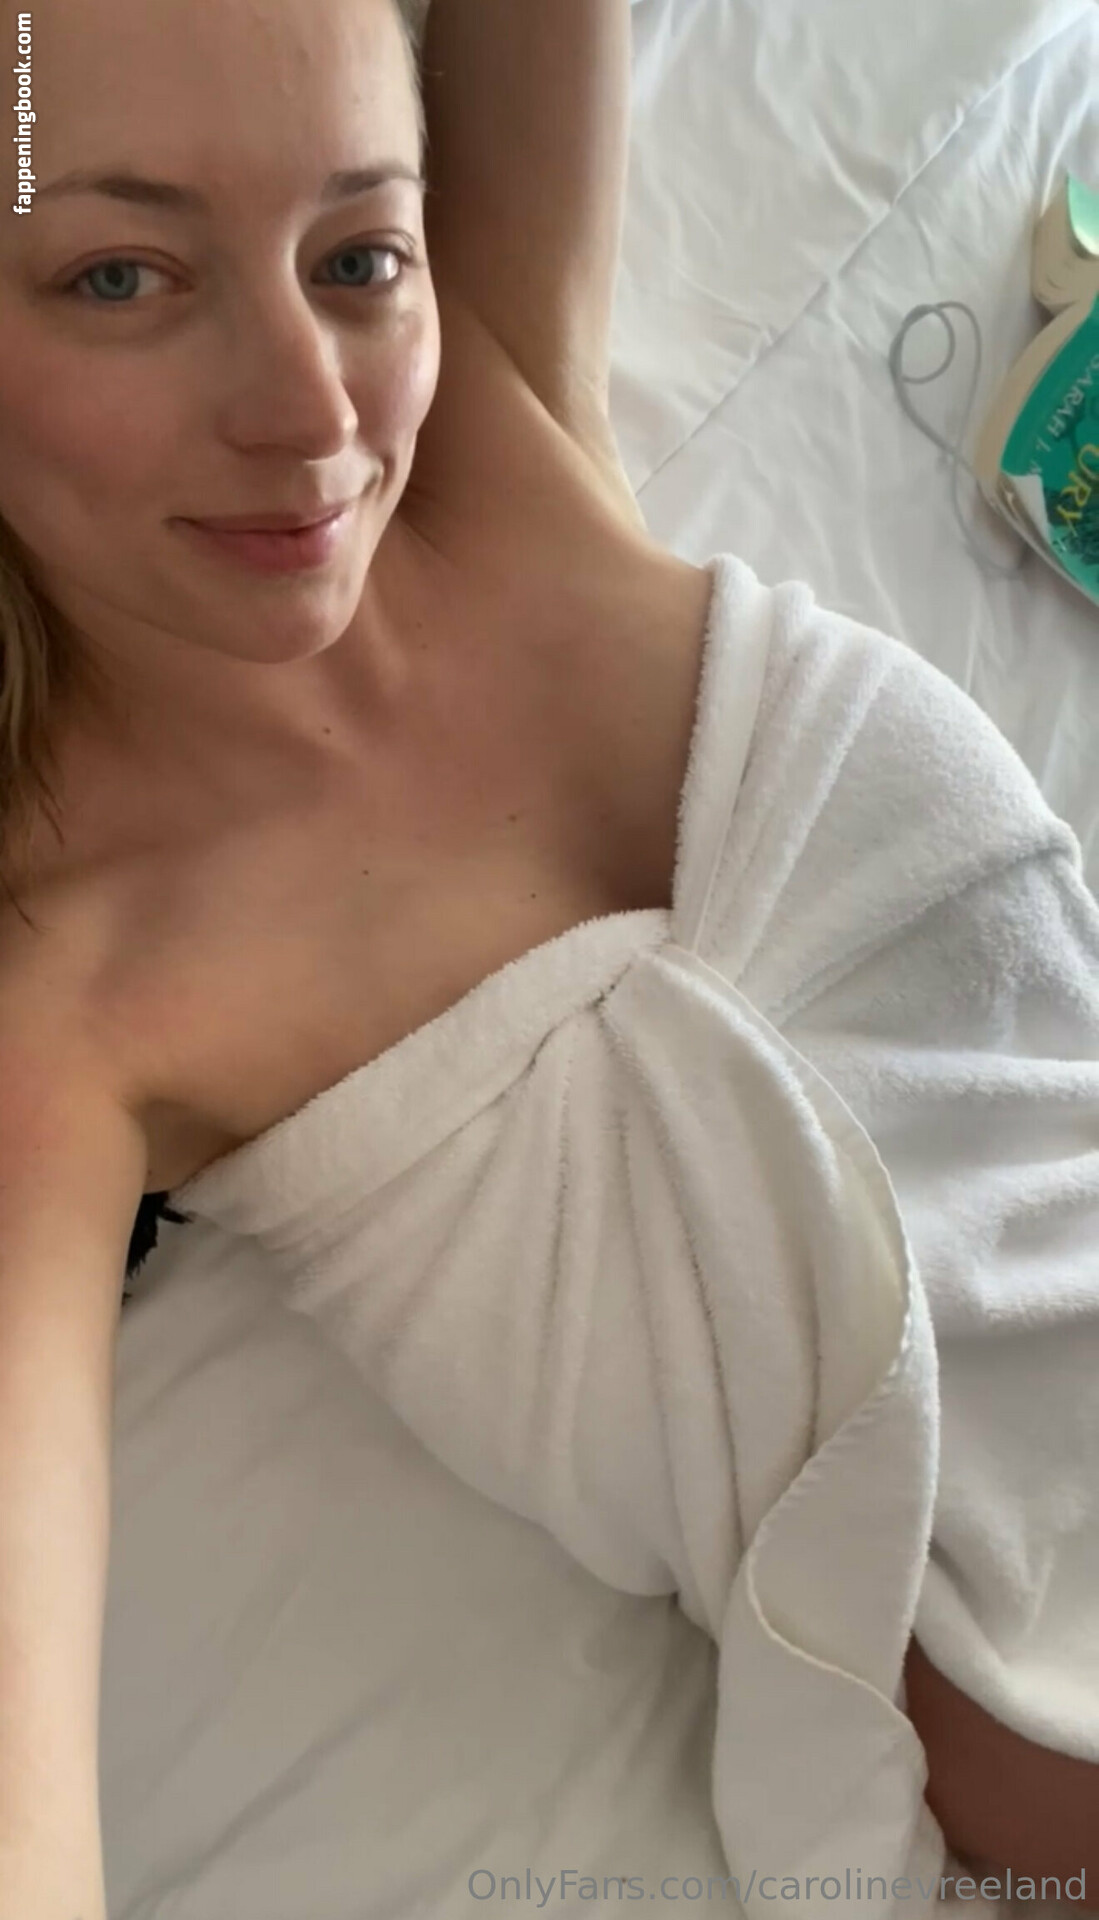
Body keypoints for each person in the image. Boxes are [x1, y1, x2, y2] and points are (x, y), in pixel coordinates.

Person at [0, 4, 1096, 1917]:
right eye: (120, 276)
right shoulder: (72, 1009)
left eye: (359, 256)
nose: (312, 415)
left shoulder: (487, 417)